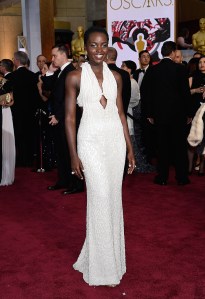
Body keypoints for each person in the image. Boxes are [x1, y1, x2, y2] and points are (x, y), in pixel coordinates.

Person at [65, 26, 136, 286]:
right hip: (90, 141)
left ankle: (111, 260)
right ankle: (101, 267)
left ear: (108, 47)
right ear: (85, 47)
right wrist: (74, 155)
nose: (98, 50)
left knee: (113, 199)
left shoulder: (117, 77)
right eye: (93, 45)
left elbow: (120, 114)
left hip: (115, 141)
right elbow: (70, 118)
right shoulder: (74, 77)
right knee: (100, 197)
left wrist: (129, 147)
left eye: (103, 44)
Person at [142, 41, 193, 185]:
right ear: (172, 53)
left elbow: (146, 94)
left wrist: (149, 114)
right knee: (179, 147)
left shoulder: (152, 70)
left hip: (159, 115)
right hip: (178, 115)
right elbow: (185, 94)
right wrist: (189, 114)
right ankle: (182, 178)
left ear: (162, 52)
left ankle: (162, 177)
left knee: (162, 147)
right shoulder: (180, 69)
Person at [46, 44, 84, 195]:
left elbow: (70, 99)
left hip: (69, 119)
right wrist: (49, 71)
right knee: (61, 151)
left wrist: (58, 116)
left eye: (54, 56)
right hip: (60, 119)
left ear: (63, 55)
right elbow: (48, 89)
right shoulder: (60, 72)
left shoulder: (71, 72)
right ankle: (64, 180)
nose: (52, 59)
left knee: (71, 152)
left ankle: (77, 184)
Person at [0, 59, 15, 186]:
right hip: (4, 111)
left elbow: (11, 101)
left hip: (5, 112)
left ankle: (6, 174)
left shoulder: (5, 82)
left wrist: (5, 101)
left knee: (5, 142)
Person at [106, 46, 131, 116]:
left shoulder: (101, 72)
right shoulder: (125, 74)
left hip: (105, 116)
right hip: (121, 114)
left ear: (106, 56)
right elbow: (127, 96)